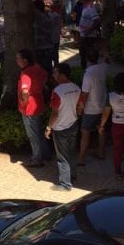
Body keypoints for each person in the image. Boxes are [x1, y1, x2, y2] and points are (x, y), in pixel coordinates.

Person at [46, 63, 81, 191]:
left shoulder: (57, 91)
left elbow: (55, 113)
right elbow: (80, 107)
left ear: (62, 75)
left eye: (55, 72)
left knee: (62, 156)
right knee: (71, 152)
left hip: (60, 128)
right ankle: (73, 175)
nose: (53, 74)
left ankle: (65, 184)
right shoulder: (76, 88)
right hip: (73, 124)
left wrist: (49, 127)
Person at [17, 49, 52, 167]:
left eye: (19, 58)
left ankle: (37, 159)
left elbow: (25, 91)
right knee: (38, 131)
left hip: (29, 108)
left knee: (33, 135)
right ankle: (46, 154)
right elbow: (45, 77)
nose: (17, 61)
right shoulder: (37, 67)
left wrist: (23, 101)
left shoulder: (25, 73)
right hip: (38, 103)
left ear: (25, 60)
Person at [77, 48, 108, 166]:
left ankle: (81, 158)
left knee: (85, 132)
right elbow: (106, 60)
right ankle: (101, 151)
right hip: (103, 105)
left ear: (86, 59)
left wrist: (80, 108)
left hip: (90, 108)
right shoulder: (104, 68)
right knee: (101, 129)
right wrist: (105, 55)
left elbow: (84, 94)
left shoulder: (88, 74)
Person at [78, 0, 100, 69]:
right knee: (83, 54)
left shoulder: (91, 8)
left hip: (89, 37)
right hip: (84, 35)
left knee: (88, 55)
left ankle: (89, 71)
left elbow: (97, 20)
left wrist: (89, 30)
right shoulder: (85, 6)